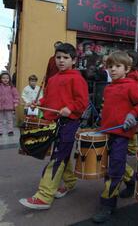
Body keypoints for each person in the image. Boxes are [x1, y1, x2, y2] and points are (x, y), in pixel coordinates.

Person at [19, 43, 89, 209]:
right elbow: (48, 99)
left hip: (69, 123)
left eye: (65, 58)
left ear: (74, 60)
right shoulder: (52, 79)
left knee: (57, 157)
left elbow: (82, 101)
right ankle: (70, 182)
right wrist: (38, 103)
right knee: (61, 153)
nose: (61, 61)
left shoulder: (77, 78)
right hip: (53, 122)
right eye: (58, 57)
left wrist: (70, 108)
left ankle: (44, 196)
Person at [92, 51, 138, 224]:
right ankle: (131, 181)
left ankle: (108, 204)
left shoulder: (131, 85)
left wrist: (132, 115)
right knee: (112, 163)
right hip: (107, 132)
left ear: (127, 68)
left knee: (113, 169)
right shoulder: (109, 88)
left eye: (117, 66)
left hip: (121, 135)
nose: (113, 70)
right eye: (110, 66)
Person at [0, 71, 19, 136]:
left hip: (9, 106)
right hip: (1, 106)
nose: (5, 79)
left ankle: (10, 130)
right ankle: (0, 131)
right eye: (3, 78)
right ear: (0, 79)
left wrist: (16, 102)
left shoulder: (12, 87)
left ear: (9, 79)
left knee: (9, 119)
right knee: (0, 120)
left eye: (7, 78)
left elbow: (16, 96)